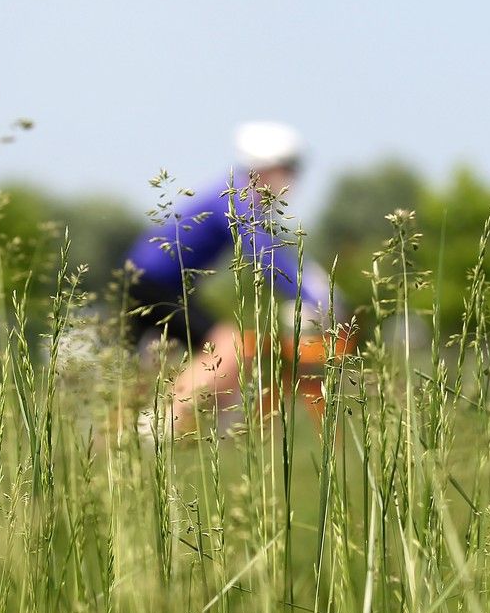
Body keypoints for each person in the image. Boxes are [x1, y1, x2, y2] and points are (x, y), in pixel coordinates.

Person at [125, 121, 334, 437]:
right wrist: (313, 296)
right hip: (154, 282)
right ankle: (160, 427)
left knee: (144, 367)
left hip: (151, 280)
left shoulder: (235, 193)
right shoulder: (238, 198)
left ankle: (145, 431)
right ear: (267, 169)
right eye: (289, 168)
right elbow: (265, 254)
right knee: (229, 345)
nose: (293, 178)